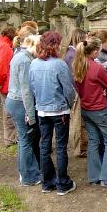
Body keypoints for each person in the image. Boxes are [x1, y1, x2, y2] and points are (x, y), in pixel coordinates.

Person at [29, 31, 77, 196]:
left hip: (42, 110)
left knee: (45, 145)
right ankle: (63, 183)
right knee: (61, 147)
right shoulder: (59, 64)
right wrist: (69, 104)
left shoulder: (34, 64)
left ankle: (47, 182)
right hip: (59, 110)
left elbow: (32, 87)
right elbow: (69, 90)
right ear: (55, 45)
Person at [73, 36, 107, 186]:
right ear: (95, 51)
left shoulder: (77, 65)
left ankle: (94, 176)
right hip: (100, 109)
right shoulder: (96, 68)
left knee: (93, 140)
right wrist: (104, 89)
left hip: (86, 108)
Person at [6, 34, 41, 186]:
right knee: (26, 140)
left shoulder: (18, 55)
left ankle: (24, 172)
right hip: (20, 103)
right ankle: (29, 177)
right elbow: (26, 90)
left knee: (22, 140)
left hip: (13, 100)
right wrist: (31, 115)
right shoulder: (26, 61)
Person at [0, 26, 18, 147]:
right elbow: (2, 68)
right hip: (5, 82)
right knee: (9, 111)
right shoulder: (6, 47)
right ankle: (10, 139)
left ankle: (9, 138)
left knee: (6, 111)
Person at [64, 28, 89, 158]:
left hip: (76, 90)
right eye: (85, 38)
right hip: (76, 92)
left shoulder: (70, 53)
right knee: (77, 122)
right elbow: (75, 75)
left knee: (80, 121)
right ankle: (78, 149)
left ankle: (82, 146)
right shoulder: (72, 55)